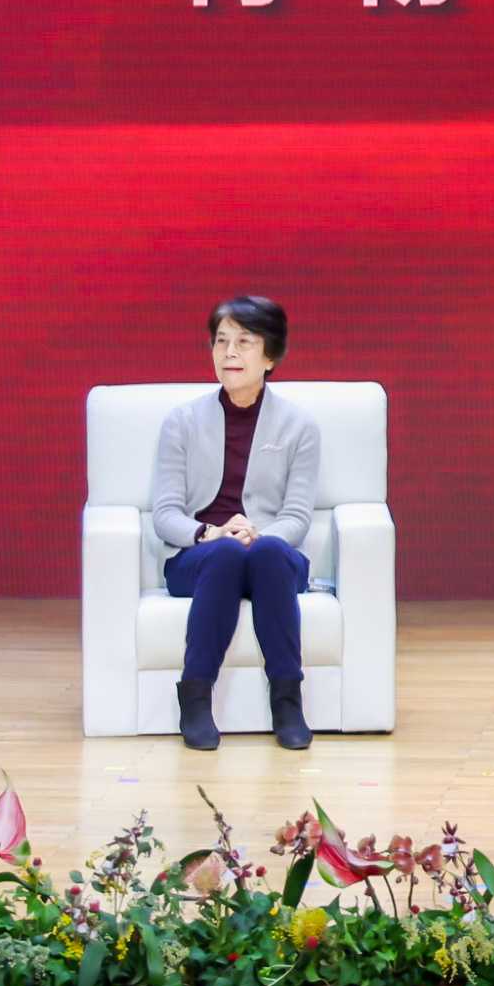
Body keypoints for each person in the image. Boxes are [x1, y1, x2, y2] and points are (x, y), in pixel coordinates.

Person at [146, 293, 328, 751]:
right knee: (226, 552)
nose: (229, 352)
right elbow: (165, 514)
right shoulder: (181, 422)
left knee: (265, 551)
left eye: (244, 342)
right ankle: (195, 698)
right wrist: (210, 533)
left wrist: (256, 533)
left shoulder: (300, 427)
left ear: (270, 356)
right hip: (202, 556)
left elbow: (296, 517)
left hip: (271, 555)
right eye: (221, 340)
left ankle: (287, 700)